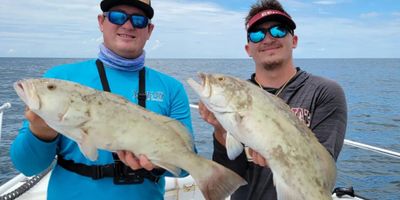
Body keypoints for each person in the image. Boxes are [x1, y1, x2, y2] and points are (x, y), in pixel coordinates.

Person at [10, 0, 193, 199]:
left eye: (139, 19)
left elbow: (185, 166)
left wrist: (157, 164)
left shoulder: (172, 88)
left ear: (149, 30)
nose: (128, 25)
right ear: (101, 21)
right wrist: (41, 132)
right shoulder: (59, 78)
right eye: (117, 16)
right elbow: (27, 166)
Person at [198, 0, 347, 199]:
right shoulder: (236, 97)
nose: (268, 39)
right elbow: (231, 172)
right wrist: (220, 129)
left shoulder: (325, 92)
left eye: (278, 30)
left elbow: (322, 170)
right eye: (257, 34)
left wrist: (281, 156)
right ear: (248, 49)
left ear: (294, 41)